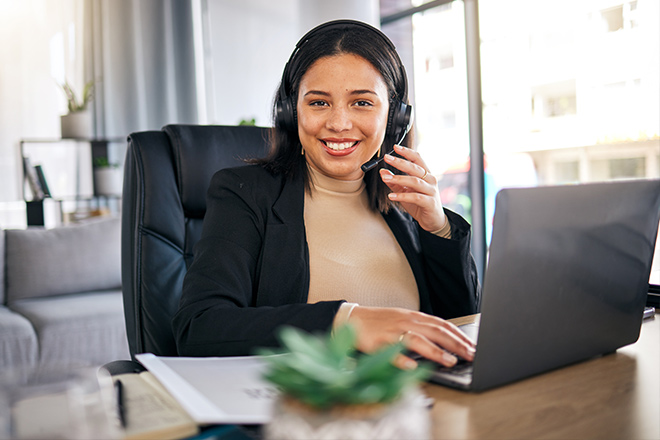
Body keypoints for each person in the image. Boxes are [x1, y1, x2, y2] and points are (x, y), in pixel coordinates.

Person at [173, 19, 480, 370]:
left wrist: (437, 228)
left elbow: (462, 329)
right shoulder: (244, 193)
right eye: (319, 103)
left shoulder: (404, 206)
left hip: (415, 406)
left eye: (362, 103)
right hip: (303, 411)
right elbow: (198, 328)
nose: (338, 123)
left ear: (395, 119)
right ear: (291, 113)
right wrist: (343, 321)